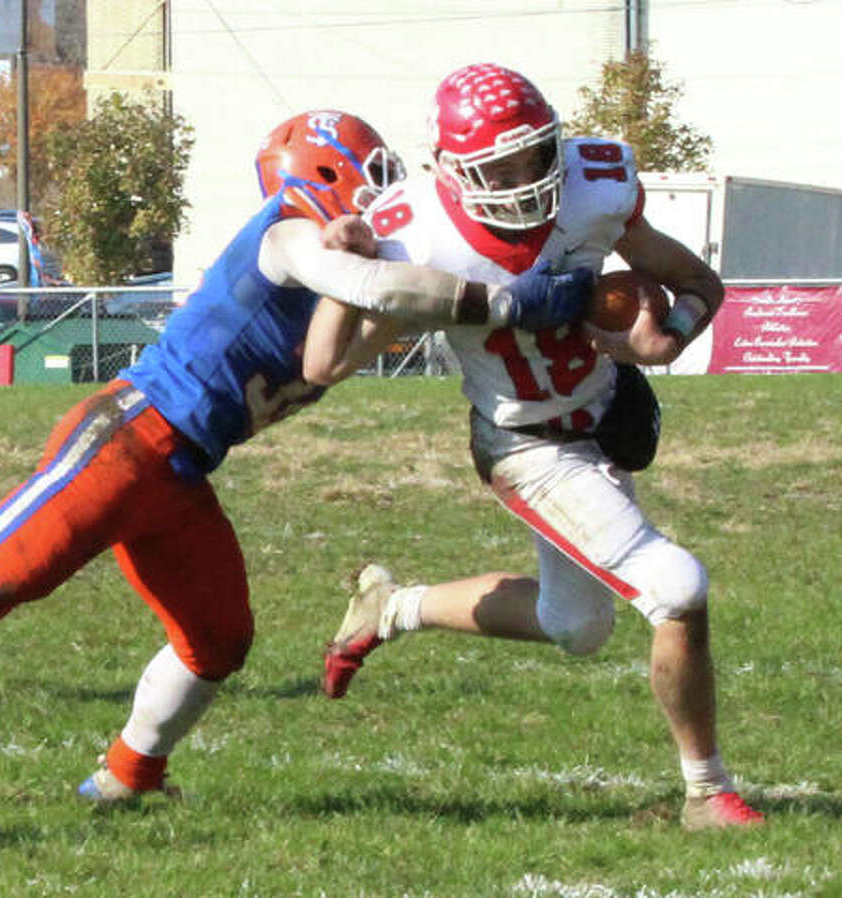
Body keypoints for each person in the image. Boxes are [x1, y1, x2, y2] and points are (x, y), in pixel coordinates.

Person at [0, 110, 592, 804]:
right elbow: (364, 282)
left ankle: (125, 779)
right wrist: (520, 301)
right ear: (323, 175)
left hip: (184, 472)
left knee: (220, 638)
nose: (385, 197)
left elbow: (348, 338)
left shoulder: (348, 264)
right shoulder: (288, 233)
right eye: (373, 177)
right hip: (126, 440)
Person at [312, 64, 764, 830]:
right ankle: (705, 792)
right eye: (502, 165)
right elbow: (323, 363)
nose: (525, 181)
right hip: (526, 446)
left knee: (576, 626)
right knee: (677, 586)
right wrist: (343, 271)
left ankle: (394, 607)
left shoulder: (593, 193)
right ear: (451, 169)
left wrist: (663, 342)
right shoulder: (416, 233)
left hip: (605, 412)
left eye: (535, 156)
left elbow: (698, 284)